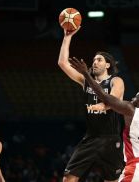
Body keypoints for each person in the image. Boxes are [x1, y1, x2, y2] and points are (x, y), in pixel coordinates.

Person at [69, 57, 139, 182]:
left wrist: (86, 73)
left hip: (137, 169)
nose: (132, 99)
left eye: (135, 97)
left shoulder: (131, 110)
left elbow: (106, 98)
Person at [58, 28, 125, 182]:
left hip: (110, 138)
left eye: (99, 60)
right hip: (91, 138)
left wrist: (103, 106)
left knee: (112, 180)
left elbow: (114, 101)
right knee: (68, 178)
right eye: (94, 59)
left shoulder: (116, 81)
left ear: (108, 65)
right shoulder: (86, 81)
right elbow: (62, 63)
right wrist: (67, 37)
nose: (94, 62)